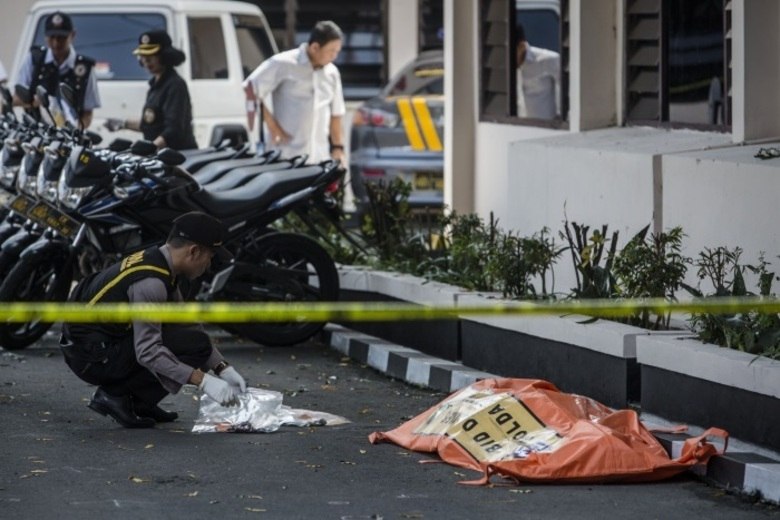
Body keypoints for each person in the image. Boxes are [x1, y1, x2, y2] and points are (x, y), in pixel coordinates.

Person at [59, 212, 246, 429]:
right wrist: (202, 380)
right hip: (91, 357)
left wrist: (222, 368)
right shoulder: (151, 282)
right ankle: (115, 396)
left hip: (98, 343)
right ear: (194, 251)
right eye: (210, 257)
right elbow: (147, 352)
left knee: (196, 342)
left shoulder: (160, 262)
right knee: (187, 345)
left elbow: (185, 322)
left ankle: (139, 403)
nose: (209, 265)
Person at [243, 20, 346, 163]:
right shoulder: (284, 63)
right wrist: (273, 127)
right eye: (331, 51)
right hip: (286, 155)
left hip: (319, 157)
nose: (334, 56)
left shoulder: (332, 73)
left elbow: (336, 114)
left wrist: (338, 148)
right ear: (315, 47)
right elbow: (250, 88)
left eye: (337, 51)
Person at [104, 30, 197, 150]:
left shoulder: (175, 85)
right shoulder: (155, 86)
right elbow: (151, 124)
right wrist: (123, 124)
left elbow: (173, 130)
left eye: (151, 55)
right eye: (143, 55)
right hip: (159, 156)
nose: (146, 60)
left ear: (164, 56)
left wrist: (150, 149)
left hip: (177, 157)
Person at [14, 10, 101, 128]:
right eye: (52, 37)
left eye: (61, 37)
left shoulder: (84, 68)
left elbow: (87, 113)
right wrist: (34, 101)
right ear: (45, 36)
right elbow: (16, 98)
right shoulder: (35, 59)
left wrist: (75, 130)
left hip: (69, 134)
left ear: (72, 35)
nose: (56, 43)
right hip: (36, 132)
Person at [515, 23, 560, 120]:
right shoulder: (502, 68)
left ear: (522, 46)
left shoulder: (549, 60)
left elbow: (567, 94)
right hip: (517, 128)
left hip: (547, 128)